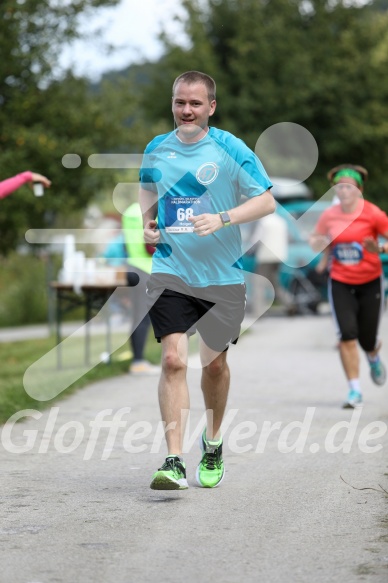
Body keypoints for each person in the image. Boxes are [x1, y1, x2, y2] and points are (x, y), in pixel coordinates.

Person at [139, 70, 275, 490]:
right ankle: (174, 460)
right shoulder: (156, 148)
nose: (186, 110)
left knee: (214, 366)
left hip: (221, 275)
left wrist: (222, 218)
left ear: (211, 107)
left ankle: (212, 442)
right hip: (171, 270)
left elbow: (266, 200)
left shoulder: (229, 147)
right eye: (180, 102)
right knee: (173, 360)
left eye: (195, 103)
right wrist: (147, 225)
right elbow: (147, 190)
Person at [310, 164, 388, 409]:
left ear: (359, 190)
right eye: (339, 187)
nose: (344, 191)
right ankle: (354, 390)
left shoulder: (373, 213)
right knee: (346, 335)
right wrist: (321, 251)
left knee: (366, 339)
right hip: (341, 281)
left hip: (370, 282)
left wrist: (380, 249)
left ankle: (373, 356)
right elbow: (318, 239)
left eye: (349, 186)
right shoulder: (329, 215)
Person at [122, 202, 160, 375]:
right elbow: (150, 246)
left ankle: (138, 359)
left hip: (132, 266)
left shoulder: (130, 211)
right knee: (142, 318)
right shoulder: (151, 211)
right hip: (146, 268)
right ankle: (137, 362)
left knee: (138, 316)